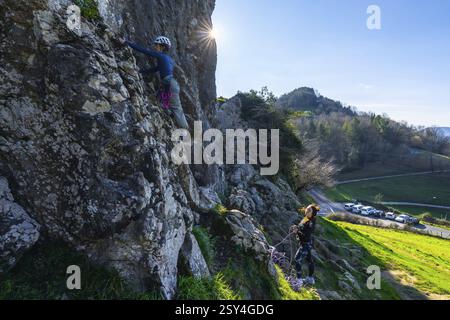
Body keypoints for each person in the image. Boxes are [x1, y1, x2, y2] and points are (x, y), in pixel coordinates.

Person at [120, 35, 189, 129]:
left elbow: (145, 51)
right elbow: (154, 69)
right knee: (163, 103)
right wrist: (140, 72)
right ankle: (173, 120)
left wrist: (128, 43)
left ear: (162, 47)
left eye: (157, 45)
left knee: (176, 108)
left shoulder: (161, 56)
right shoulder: (166, 59)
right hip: (169, 84)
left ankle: (185, 129)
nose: (155, 47)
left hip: (170, 84)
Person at [291, 204, 320, 286]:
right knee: (310, 260)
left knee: (297, 259)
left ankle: (299, 280)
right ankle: (310, 278)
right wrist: (296, 227)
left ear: (313, 213)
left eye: (309, 210)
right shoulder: (306, 219)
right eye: (307, 209)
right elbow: (301, 228)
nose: (306, 211)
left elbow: (306, 235)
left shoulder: (311, 222)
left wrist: (297, 231)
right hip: (308, 243)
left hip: (305, 244)